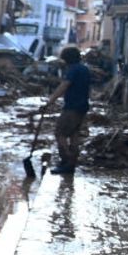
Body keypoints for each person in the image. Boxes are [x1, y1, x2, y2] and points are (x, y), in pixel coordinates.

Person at [40, 46, 91, 174]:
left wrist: (49, 101)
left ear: (67, 58)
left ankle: (66, 162)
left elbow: (64, 86)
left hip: (72, 107)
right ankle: (72, 163)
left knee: (60, 133)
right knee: (74, 135)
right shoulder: (84, 69)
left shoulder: (73, 70)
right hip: (82, 106)